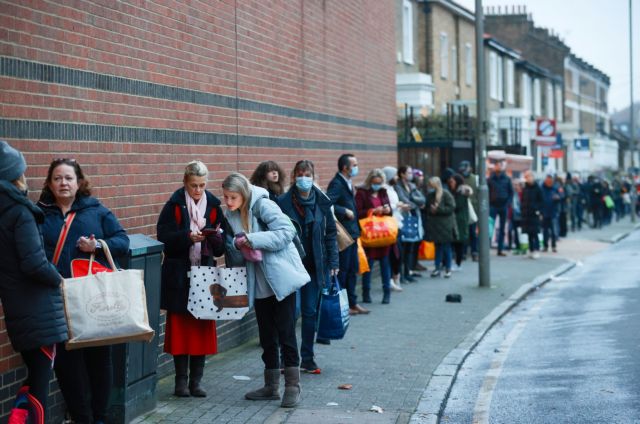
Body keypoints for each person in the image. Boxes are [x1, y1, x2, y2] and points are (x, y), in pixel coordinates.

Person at [39, 158, 129, 424]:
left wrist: (98, 246)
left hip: (92, 299)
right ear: (49, 183)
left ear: (79, 182)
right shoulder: (39, 213)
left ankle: (99, 417)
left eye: (68, 178)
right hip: (57, 300)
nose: (63, 183)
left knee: (99, 361)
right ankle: (82, 418)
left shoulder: (97, 211)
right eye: (57, 178)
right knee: (67, 365)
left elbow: (122, 241)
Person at [222, 172, 310, 408]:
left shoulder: (263, 204)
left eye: (232, 197)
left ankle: (293, 386)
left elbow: (286, 232)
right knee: (267, 336)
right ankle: (271, 386)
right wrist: (231, 243)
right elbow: (237, 248)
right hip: (258, 282)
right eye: (226, 197)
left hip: (280, 279)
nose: (228, 202)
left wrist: (252, 239)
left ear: (243, 193)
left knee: (286, 332)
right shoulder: (230, 215)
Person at [0, 141, 66, 424]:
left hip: (18, 307)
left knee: (34, 376)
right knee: (40, 381)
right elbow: (34, 263)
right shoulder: (20, 212)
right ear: (16, 176)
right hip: (38, 310)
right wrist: (59, 279)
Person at [157, 161, 226, 397]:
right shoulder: (174, 205)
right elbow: (163, 237)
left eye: (202, 185)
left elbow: (221, 246)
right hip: (179, 277)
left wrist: (213, 238)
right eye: (194, 185)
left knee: (201, 327)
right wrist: (187, 237)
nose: (198, 190)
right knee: (180, 330)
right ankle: (180, 381)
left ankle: (196, 382)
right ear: (185, 182)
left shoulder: (214, 207)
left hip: (205, 274)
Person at [277, 160, 339, 375]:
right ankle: (287, 359)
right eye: (300, 173)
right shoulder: (282, 202)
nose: (304, 178)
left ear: (314, 176)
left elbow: (331, 233)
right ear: (294, 176)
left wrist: (333, 262)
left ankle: (308, 358)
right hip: (290, 266)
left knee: (310, 312)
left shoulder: (322, 202)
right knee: (291, 313)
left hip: (314, 266)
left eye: (308, 174)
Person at [327, 154, 369, 315]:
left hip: (353, 233)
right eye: (354, 165)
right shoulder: (337, 183)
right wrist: (344, 210)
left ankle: (352, 302)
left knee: (352, 269)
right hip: (344, 235)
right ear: (345, 167)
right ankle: (342, 303)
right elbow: (328, 202)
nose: (356, 167)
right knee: (344, 271)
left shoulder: (347, 182)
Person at [355, 169, 394, 304]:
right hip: (370, 235)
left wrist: (388, 210)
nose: (377, 185)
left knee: (385, 264)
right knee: (369, 265)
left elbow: (390, 211)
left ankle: (386, 293)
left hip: (383, 234)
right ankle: (366, 292)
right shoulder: (362, 193)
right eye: (375, 182)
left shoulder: (383, 192)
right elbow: (358, 212)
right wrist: (372, 211)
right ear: (370, 181)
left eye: (379, 182)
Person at [394, 165, 424, 282]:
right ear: (402, 174)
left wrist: (413, 203)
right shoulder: (398, 186)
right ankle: (401, 274)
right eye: (409, 172)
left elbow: (422, 199)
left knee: (411, 247)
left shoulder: (412, 186)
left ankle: (408, 272)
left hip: (414, 218)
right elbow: (404, 200)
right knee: (403, 248)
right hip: (404, 219)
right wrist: (415, 203)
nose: (411, 175)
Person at [425, 177, 457, 278]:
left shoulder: (446, 194)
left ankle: (448, 268)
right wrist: (431, 210)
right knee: (437, 247)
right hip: (435, 225)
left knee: (446, 247)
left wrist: (438, 209)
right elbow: (427, 208)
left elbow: (451, 207)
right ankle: (437, 268)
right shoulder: (430, 195)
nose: (430, 187)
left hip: (446, 224)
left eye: (431, 185)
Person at [382, 166, 406, 292]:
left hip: (397, 224)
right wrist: (396, 205)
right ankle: (391, 279)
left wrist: (400, 206)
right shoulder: (384, 189)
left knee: (398, 254)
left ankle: (395, 277)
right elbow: (385, 205)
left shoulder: (392, 189)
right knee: (393, 254)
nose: (397, 177)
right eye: (395, 175)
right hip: (390, 226)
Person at [487, 160, 513, 256]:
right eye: (496, 165)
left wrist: (508, 203)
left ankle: (500, 249)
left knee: (502, 229)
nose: (498, 167)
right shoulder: (490, 179)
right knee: (490, 227)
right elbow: (487, 192)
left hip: (503, 206)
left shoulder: (507, 179)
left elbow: (511, 193)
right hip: (493, 206)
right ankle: (487, 248)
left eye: (499, 165)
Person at [448, 174, 472, 270]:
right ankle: (457, 263)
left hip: (460, 220)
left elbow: (457, 206)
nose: (451, 184)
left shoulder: (461, 193)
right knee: (457, 242)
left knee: (459, 242)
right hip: (458, 220)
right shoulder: (456, 192)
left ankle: (458, 263)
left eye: (452, 182)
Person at [458, 161, 479, 261]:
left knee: (473, 233)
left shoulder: (475, 179)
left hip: (473, 210)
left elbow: (479, 195)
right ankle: (464, 252)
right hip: (462, 209)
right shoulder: (459, 179)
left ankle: (474, 252)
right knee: (464, 233)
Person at [520, 170, 543, 259]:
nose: (528, 178)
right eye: (526, 177)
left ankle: (536, 250)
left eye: (529, 176)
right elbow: (523, 200)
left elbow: (541, 201)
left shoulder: (537, 188)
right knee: (529, 233)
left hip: (534, 214)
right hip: (526, 214)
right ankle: (531, 249)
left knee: (535, 233)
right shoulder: (525, 188)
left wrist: (538, 211)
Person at [540, 174, 560, 253]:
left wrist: (558, 198)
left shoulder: (555, 188)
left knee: (553, 231)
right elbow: (539, 200)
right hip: (544, 212)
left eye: (550, 180)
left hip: (553, 212)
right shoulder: (542, 189)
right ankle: (545, 246)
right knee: (545, 231)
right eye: (547, 180)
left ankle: (554, 246)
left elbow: (561, 196)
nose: (549, 182)